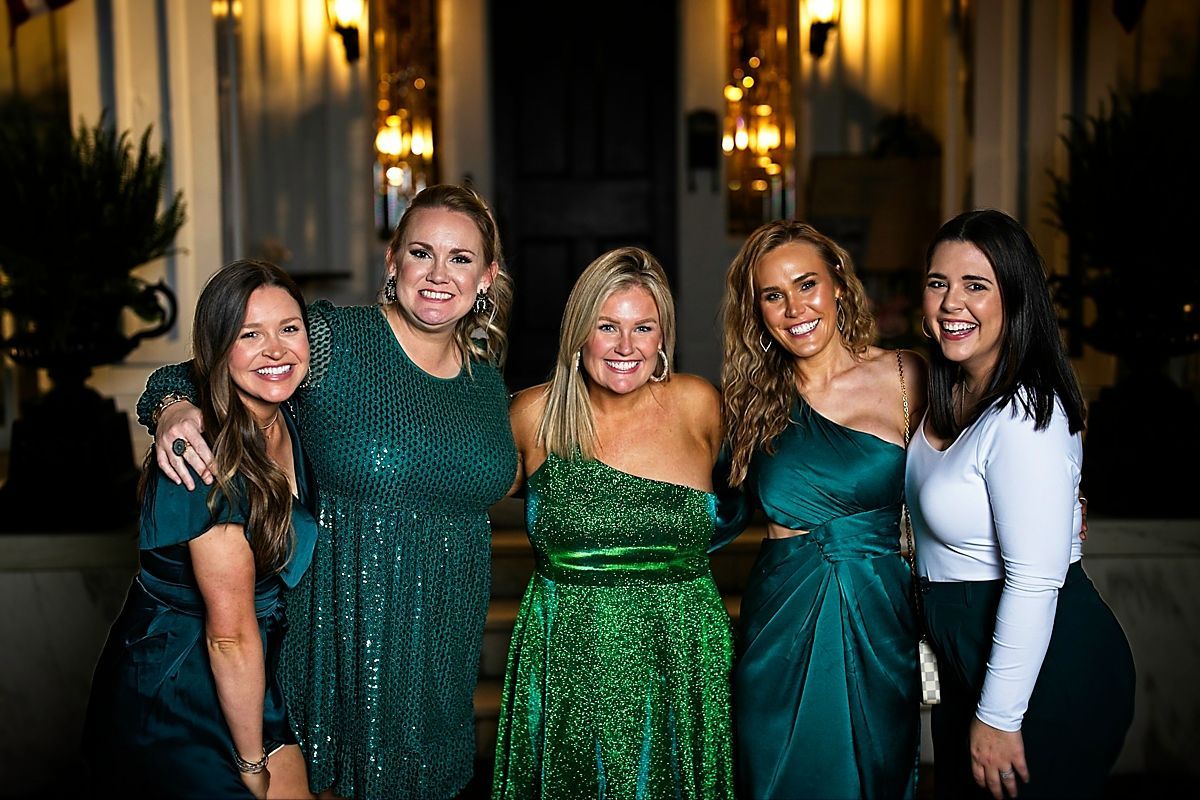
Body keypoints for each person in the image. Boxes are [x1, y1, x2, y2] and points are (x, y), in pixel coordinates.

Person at [134, 185, 519, 799]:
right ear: (392, 260)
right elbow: (216, 362)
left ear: (486, 277)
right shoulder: (334, 339)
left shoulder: (486, 380)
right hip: (334, 643)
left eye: (461, 258)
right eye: (421, 253)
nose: (438, 275)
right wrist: (176, 408)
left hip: (441, 656)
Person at [905, 208, 1135, 800]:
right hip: (968, 661)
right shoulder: (949, 390)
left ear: (1015, 296)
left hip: (1042, 669)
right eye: (938, 283)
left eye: (976, 286)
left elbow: (1034, 579)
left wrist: (1000, 717)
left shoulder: (1028, 414)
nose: (952, 303)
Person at [492, 247, 737, 799]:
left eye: (642, 328)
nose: (626, 347)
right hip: (569, 657)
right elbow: (452, 495)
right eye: (607, 327)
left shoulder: (700, 405)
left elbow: (768, 487)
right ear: (579, 333)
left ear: (662, 337)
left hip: (684, 653)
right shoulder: (532, 415)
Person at [82, 259, 317, 799]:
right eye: (249, 334)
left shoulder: (287, 415)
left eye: (289, 328)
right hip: (179, 688)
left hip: (250, 674)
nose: (276, 350)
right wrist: (252, 763)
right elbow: (228, 635)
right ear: (217, 348)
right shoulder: (202, 457)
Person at [718, 219, 928, 799]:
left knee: (875, 774)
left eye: (806, 284)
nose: (794, 309)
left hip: (878, 611)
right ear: (756, 310)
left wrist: (1063, 498)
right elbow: (700, 500)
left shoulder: (908, 375)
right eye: (773, 295)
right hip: (782, 620)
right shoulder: (747, 402)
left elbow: (974, 465)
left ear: (837, 282)